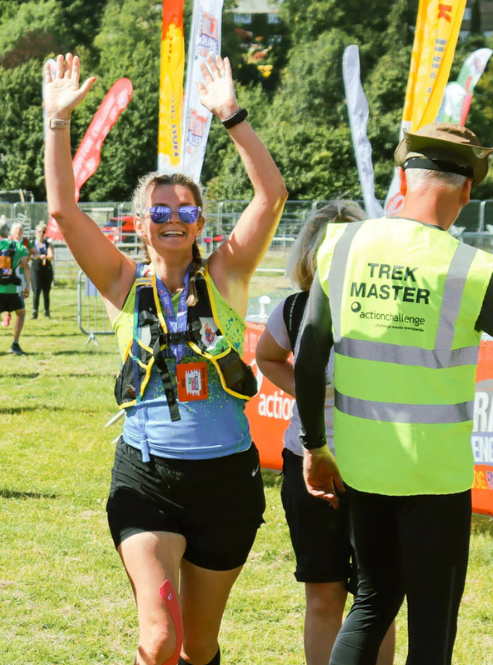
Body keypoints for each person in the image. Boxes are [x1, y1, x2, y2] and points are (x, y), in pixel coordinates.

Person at [44, 52, 287, 665]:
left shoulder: (226, 274)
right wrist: (57, 123)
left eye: (185, 211)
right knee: (159, 641)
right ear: (140, 225)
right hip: (146, 477)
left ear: (201, 221)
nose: (173, 220)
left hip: (228, 480)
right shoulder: (122, 283)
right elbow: (64, 213)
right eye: (160, 212)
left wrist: (231, 114)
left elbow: (273, 194)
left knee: (199, 646)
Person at [295, 123, 493, 665]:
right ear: (466, 189)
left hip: (364, 469)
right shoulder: (474, 269)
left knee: (372, 604)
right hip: (437, 478)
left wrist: (315, 446)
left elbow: (310, 357)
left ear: (404, 176)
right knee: (432, 628)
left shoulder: (345, 242)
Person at [255, 202, 395, 665]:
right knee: (323, 595)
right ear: (310, 255)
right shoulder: (294, 310)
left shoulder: (385, 312)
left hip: (378, 465)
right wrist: (308, 392)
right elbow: (267, 356)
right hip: (307, 463)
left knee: (378, 601)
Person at [0, 218, 30, 357]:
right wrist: (28, 285)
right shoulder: (18, 246)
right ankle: (15, 344)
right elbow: (26, 265)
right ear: (8, 231)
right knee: (21, 313)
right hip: (12, 287)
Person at [30, 222, 55, 319]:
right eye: (39, 231)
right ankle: (35, 312)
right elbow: (29, 256)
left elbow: (51, 256)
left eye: (43, 232)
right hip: (36, 270)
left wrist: (46, 257)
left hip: (47, 270)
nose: (41, 233)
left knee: (46, 291)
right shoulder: (32, 244)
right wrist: (35, 257)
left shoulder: (48, 245)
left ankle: (46, 312)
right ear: (36, 232)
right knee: (36, 290)